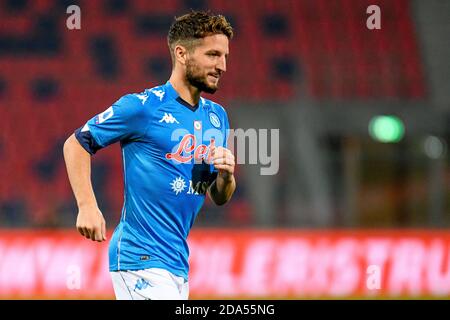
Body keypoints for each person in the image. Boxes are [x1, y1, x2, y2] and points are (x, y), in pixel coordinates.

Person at [63, 11, 235, 300]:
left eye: (225, 56)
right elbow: (76, 143)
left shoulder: (217, 117)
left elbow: (219, 196)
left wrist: (227, 176)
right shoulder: (142, 107)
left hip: (177, 262)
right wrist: (87, 205)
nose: (223, 65)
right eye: (213, 55)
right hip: (140, 257)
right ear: (181, 53)